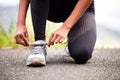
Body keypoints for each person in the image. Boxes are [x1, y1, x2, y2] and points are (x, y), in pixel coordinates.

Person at [14, 0, 96, 66]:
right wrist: (20, 24)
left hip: (80, 8)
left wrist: (66, 27)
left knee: (82, 53)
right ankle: (39, 44)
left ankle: (71, 41)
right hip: (49, 5)